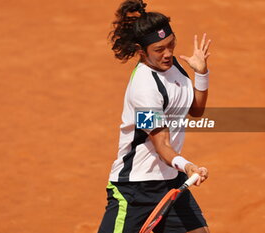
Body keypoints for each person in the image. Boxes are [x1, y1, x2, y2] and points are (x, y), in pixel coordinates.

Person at [98, 0, 211, 232]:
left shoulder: (175, 67)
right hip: (136, 189)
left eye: (171, 44)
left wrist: (201, 74)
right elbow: (162, 144)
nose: (168, 54)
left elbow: (196, 111)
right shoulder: (144, 88)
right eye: (159, 50)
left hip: (170, 179)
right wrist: (188, 166)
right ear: (142, 52)